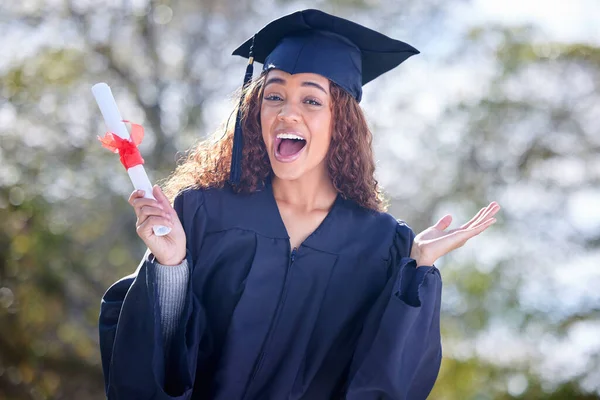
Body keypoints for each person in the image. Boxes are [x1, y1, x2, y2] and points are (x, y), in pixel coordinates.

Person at [99, 9, 500, 400]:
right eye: (273, 95)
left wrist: (415, 273)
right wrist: (171, 268)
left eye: (311, 100)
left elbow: (387, 381)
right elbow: (151, 357)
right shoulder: (204, 213)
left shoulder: (382, 246)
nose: (287, 112)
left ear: (340, 121)